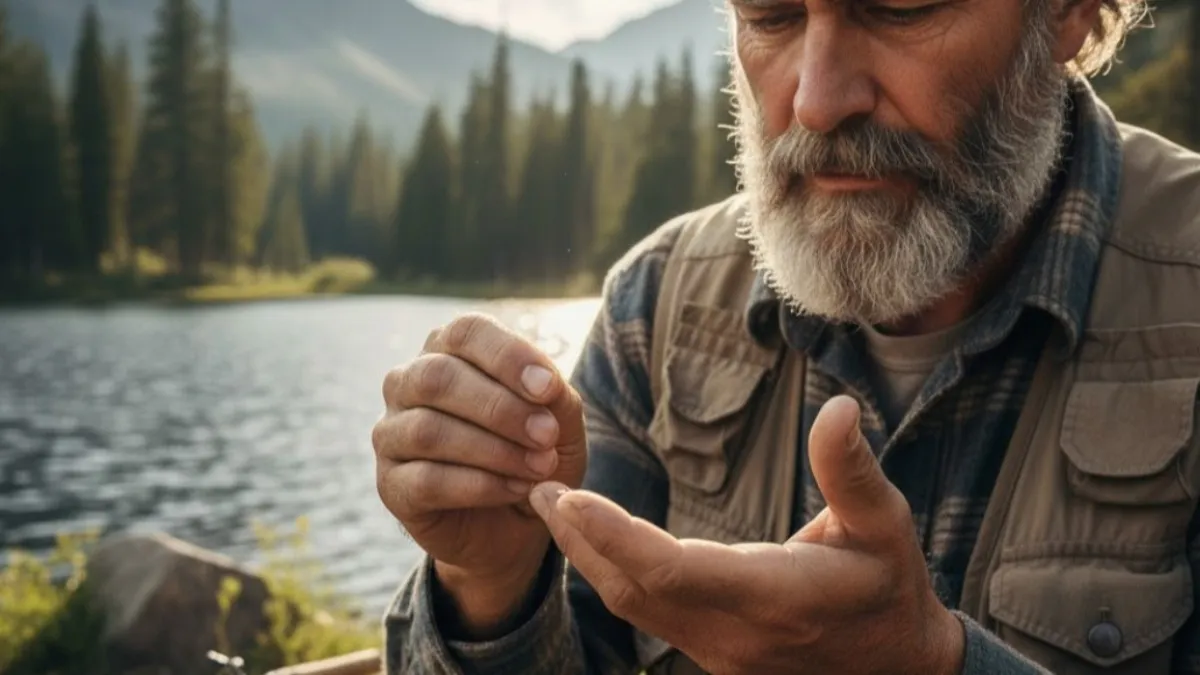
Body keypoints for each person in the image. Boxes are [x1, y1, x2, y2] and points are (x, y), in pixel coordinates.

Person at [372, 0, 1200, 672]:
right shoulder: (658, 303)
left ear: (1068, 13)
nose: (815, 99)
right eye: (770, 17)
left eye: (901, 8)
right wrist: (490, 585)